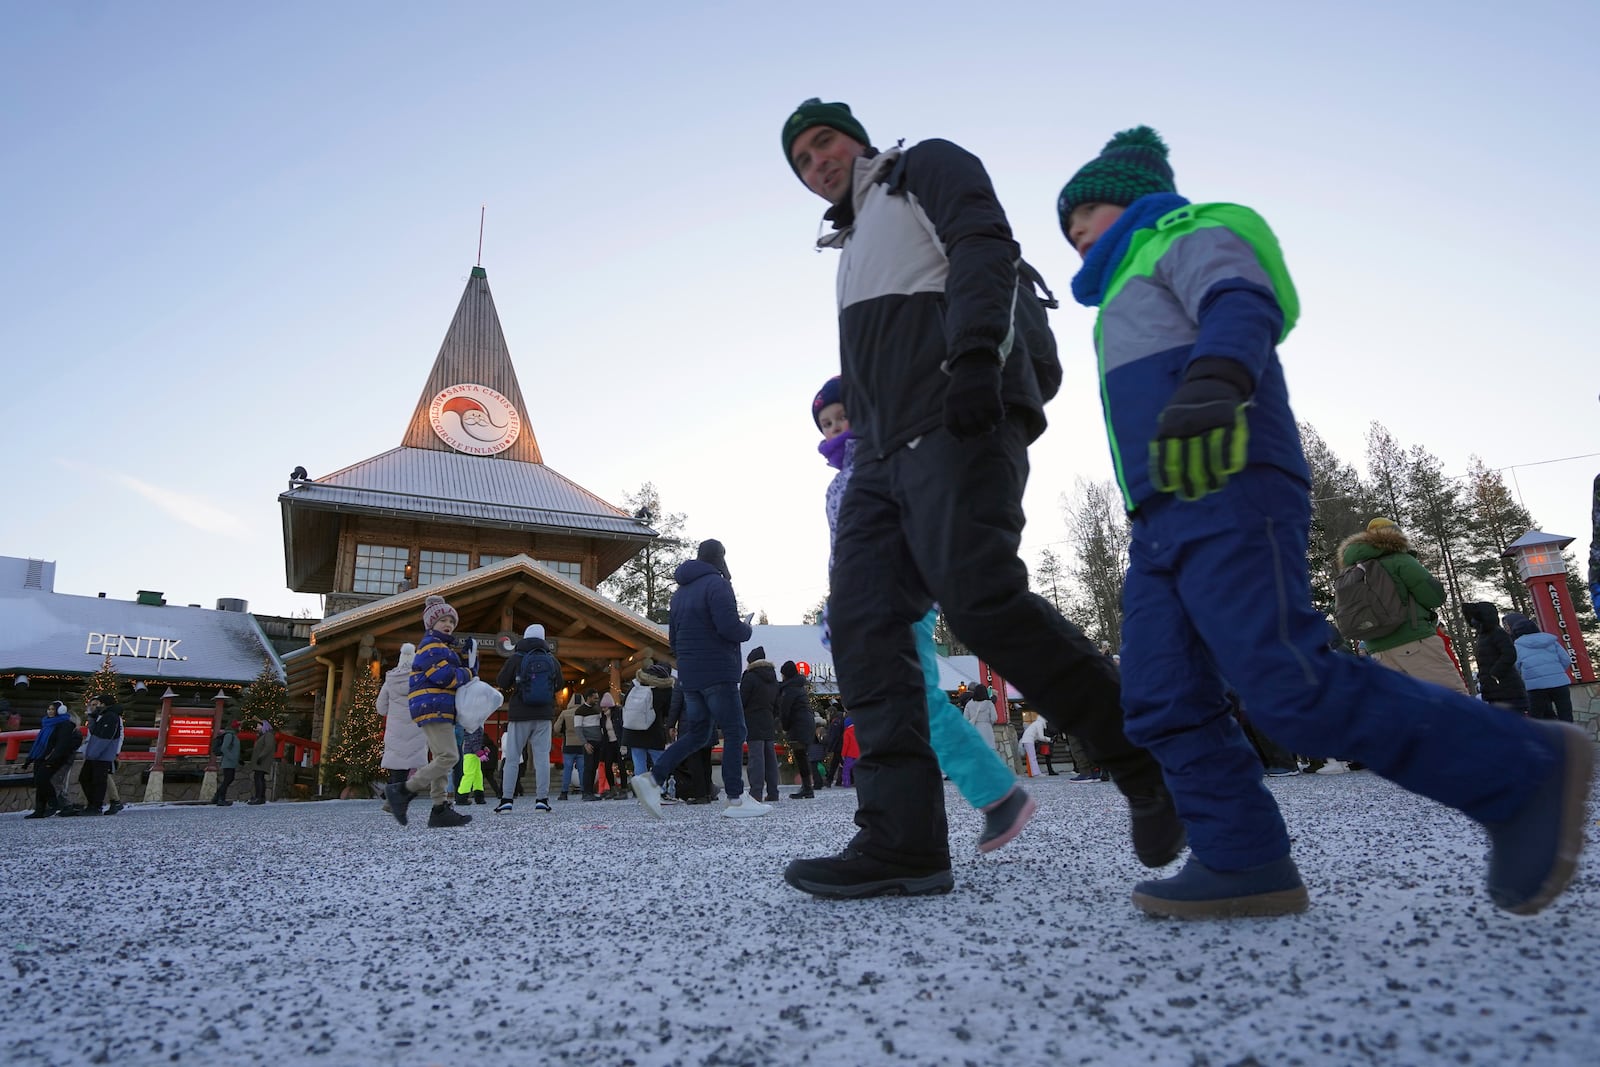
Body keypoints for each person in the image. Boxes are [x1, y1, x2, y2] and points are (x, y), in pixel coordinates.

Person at [1055, 123, 1593, 917]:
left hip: (1230, 480)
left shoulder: (1187, 229)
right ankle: (1243, 859)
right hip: (1158, 517)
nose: (1076, 240)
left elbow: (1242, 297)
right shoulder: (1118, 294)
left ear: (1129, 201)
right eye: (1067, 233)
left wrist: (1218, 375)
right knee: (1161, 694)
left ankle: (1523, 771)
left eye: (1084, 219)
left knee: (1283, 681)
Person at [779, 100, 1174, 897]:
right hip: (879, 455)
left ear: (856, 137)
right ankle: (903, 842)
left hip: (954, 413)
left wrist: (969, 361)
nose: (816, 160)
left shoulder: (921, 166)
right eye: (800, 159)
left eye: (825, 141)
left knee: (979, 597)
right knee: (863, 628)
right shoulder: (851, 240)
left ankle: (1144, 760)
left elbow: (985, 245)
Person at [630, 539, 769, 819]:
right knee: (734, 731)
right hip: (717, 670)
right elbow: (728, 627)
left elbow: (673, 640)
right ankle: (736, 799)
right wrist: (747, 629)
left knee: (698, 733)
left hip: (690, 674)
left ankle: (653, 778)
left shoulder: (679, 593)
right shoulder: (717, 584)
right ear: (720, 558)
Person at [1338, 518, 1468, 694]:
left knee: (1409, 711)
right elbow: (1434, 597)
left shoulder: (1352, 571)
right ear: (1395, 535)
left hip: (1377, 652)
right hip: (1415, 641)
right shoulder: (1399, 560)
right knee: (1454, 699)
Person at [385, 594, 473, 828]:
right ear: (430, 623)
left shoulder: (442, 646)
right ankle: (404, 790)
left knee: (441, 759)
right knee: (449, 757)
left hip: (436, 706)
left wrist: (464, 660)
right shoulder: (431, 645)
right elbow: (444, 677)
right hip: (433, 705)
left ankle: (439, 808)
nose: (448, 624)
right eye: (443, 620)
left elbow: (450, 672)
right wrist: (469, 672)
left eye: (452, 622)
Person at [494, 623, 561, 813]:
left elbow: (501, 681)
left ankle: (507, 799)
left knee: (513, 757)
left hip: (519, 714)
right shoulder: (551, 659)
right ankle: (542, 799)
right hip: (543, 715)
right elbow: (559, 684)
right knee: (541, 758)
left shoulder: (517, 657)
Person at [379, 645, 428, 811]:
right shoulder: (421, 680)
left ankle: (392, 799)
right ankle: (397, 799)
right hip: (416, 728)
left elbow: (381, 708)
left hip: (395, 728)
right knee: (410, 766)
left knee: (398, 766)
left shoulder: (390, 681)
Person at [1504, 612, 1575, 722]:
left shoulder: (1517, 646)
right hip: (1559, 683)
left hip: (1535, 687)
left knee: (1536, 718)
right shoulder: (1552, 641)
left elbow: (1516, 667)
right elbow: (1566, 660)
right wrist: (1558, 672)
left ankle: (1542, 738)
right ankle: (1570, 738)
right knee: (1565, 715)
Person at [1463, 603, 1529, 713]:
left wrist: (1494, 674)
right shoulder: (1483, 636)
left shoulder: (1497, 633)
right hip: (1494, 690)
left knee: (1515, 722)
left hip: (1507, 688)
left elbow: (1509, 654)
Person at [64, 693, 121, 816]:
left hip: (101, 754)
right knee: (86, 778)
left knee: (98, 780)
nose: (97, 706)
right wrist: (92, 718)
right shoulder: (102, 716)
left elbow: (105, 737)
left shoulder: (111, 717)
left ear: (104, 704)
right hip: (94, 753)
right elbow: (94, 731)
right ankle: (92, 804)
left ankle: (96, 805)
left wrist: (96, 752)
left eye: (99, 704)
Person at [24, 702, 80, 818]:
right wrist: (29, 759)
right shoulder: (46, 723)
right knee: (38, 782)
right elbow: (39, 743)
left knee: (42, 779)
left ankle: (53, 802)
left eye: (53, 709)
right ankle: (39, 810)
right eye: (48, 709)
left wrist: (52, 758)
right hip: (40, 756)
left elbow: (61, 744)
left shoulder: (65, 724)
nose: (50, 711)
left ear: (60, 711)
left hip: (52, 758)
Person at [740, 646, 782, 804]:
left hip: (753, 720)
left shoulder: (750, 677)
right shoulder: (773, 677)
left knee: (756, 758)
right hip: (768, 720)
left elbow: (741, 700)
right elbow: (778, 704)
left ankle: (756, 793)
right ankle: (773, 792)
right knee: (770, 758)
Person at [622, 663, 675, 786]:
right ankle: (660, 792)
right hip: (654, 730)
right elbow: (668, 710)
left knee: (639, 763)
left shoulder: (635, 684)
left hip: (632, 730)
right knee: (659, 762)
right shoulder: (664, 688)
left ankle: (643, 794)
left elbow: (625, 703)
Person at [776, 661, 816, 799]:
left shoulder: (790, 689)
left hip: (799, 726)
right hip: (805, 724)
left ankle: (807, 788)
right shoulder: (798, 687)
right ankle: (807, 787)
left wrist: (785, 727)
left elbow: (785, 711)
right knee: (802, 755)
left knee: (801, 756)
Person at [553, 693, 585, 801]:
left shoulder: (565, 713)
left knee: (567, 769)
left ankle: (564, 792)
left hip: (568, 745)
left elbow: (557, 728)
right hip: (582, 744)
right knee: (582, 769)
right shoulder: (585, 713)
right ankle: (584, 792)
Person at [246, 719, 276, 805]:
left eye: (258, 726)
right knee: (259, 777)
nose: (257, 727)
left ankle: (259, 797)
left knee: (258, 777)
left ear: (264, 726)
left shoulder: (268, 735)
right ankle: (260, 797)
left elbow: (268, 746)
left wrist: (261, 757)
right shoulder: (263, 736)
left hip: (262, 761)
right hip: (260, 760)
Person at [212, 719, 242, 805]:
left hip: (231, 762)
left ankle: (217, 797)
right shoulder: (229, 735)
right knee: (228, 779)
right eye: (239, 726)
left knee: (228, 779)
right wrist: (232, 758)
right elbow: (224, 748)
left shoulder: (233, 735)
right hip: (228, 762)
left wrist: (238, 759)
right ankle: (220, 798)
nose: (240, 728)